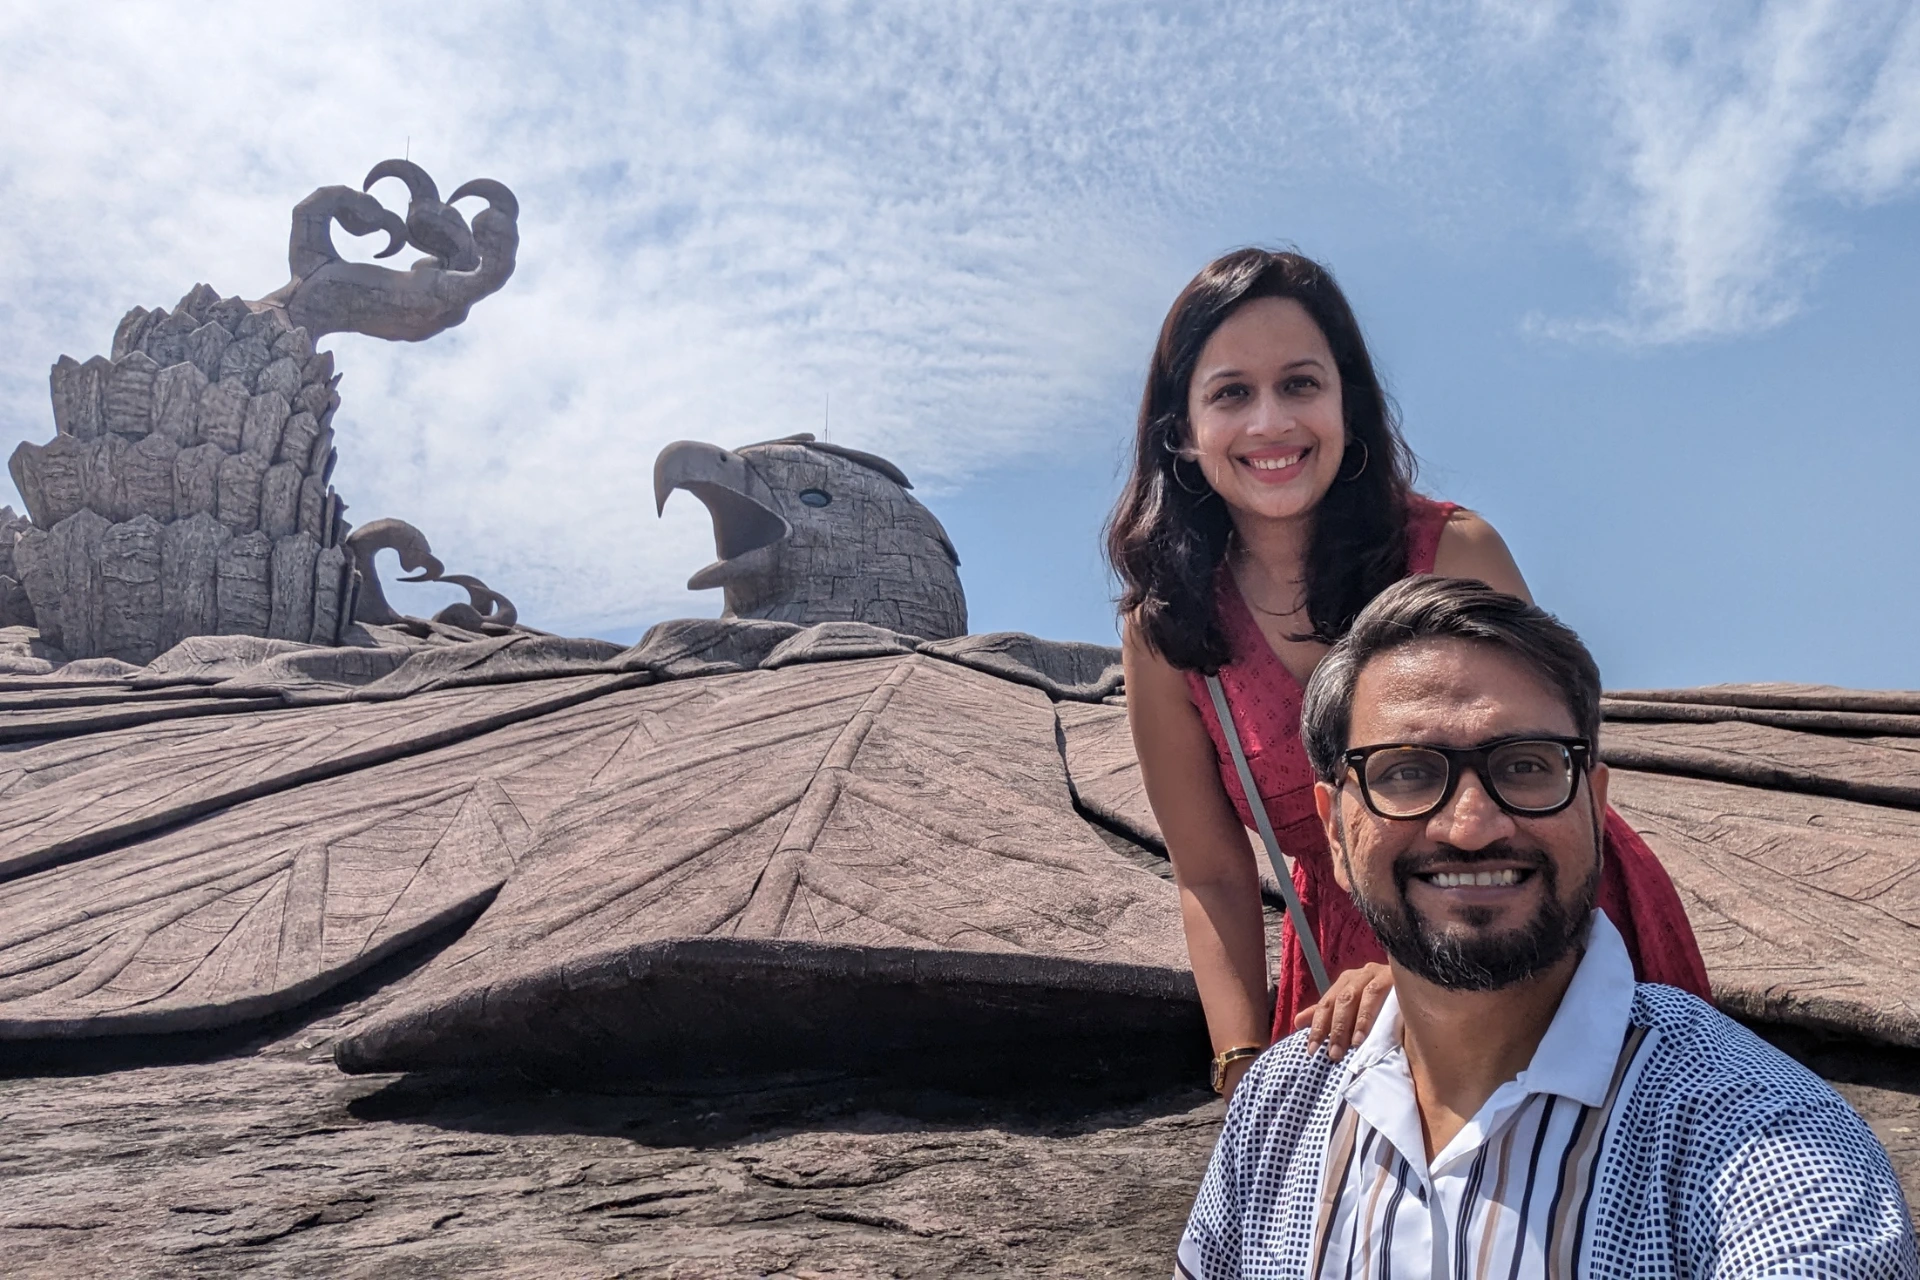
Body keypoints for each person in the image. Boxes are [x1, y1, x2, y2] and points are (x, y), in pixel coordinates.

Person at [1176, 577, 1917, 1278]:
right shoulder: (1279, 1111)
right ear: (1335, 831)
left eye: (1526, 765)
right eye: (1405, 773)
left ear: (1595, 809)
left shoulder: (1761, 1139)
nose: (1469, 826)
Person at [1107, 248, 1709, 1100]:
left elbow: (1551, 783)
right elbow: (1211, 874)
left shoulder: (1454, 551)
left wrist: (1435, 978)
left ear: (1347, 402)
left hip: (1533, 910)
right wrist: (1241, 1067)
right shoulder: (1168, 626)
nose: (1271, 421)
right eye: (1232, 393)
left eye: (1302, 384)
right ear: (1182, 430)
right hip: (1342, 970)